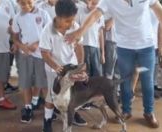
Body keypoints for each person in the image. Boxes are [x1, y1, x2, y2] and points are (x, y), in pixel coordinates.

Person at [65, 0, 162, 128]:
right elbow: (95, 14)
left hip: (147, 45)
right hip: (124, 47)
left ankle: (149, 112)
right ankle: (126, 111)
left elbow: (160, 12)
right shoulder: (109, 1)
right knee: (125, 82)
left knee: (147, 81)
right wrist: (80, 31)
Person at [39, 0, 87, 131]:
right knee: (51, 96)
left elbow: (79, 47)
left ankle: (73, 113)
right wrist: (55, 66)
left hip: (71, 68)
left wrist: (81, 64)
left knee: (73, 94)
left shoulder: (75, 26)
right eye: (67, 21)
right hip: (54, 70)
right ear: (58, 17)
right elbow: (44, 53)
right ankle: (47, 120)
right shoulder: (47, 30)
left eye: (73, 20)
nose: (71, 23)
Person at [12, 0, 50, 123]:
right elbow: (15, 37)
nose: (27, 6)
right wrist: (21, 46)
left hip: (41, 55)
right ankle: (28, 108)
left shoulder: (43, 14)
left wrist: (37, 44)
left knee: (43, 83)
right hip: (25, 55)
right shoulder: (17, 17)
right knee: (26, 82)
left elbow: (49, 34)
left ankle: (49, 110)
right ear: (18, 2)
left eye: (29, 2)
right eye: (23, 3)